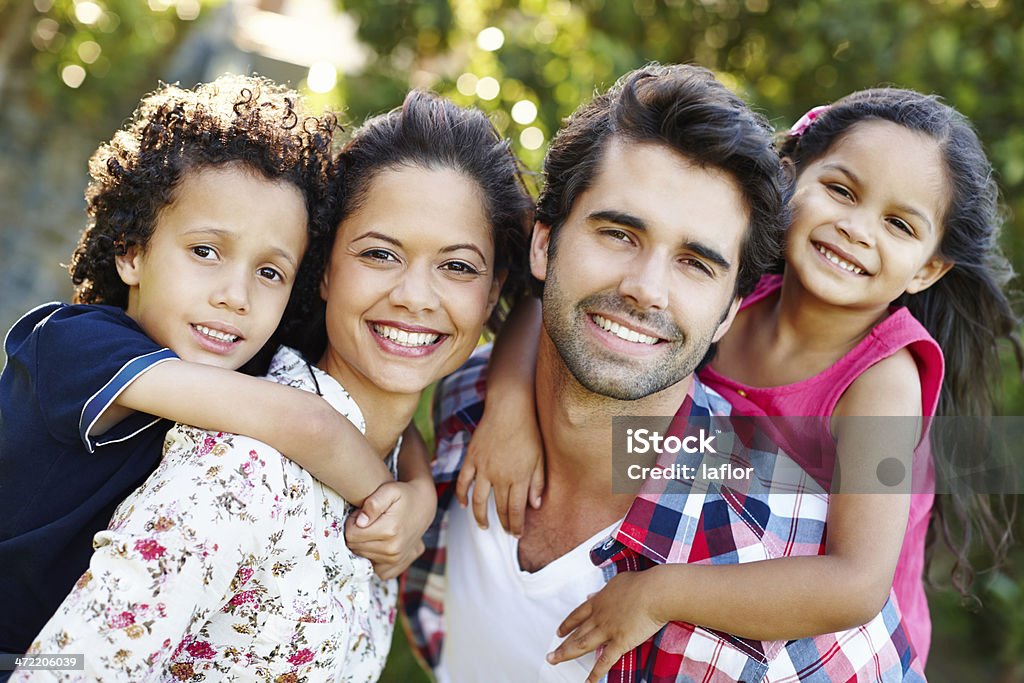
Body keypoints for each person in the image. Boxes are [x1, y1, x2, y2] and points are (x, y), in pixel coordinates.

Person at [469, 87, 1021, 673]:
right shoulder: (734, 298)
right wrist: (507, 410)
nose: (858, 229)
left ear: (928, 269)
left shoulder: (884, 381)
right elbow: (546, 306)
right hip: (699, 556)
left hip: (826, 645)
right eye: (840, 191)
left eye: (898, 225)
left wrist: (659, 595)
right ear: (789, 181)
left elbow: (854, 585)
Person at [17, 89, 531, 682]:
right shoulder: (238, 463)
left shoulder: (389, 462)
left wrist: (415, 490)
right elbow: (66, 670)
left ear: (492, 293)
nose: (416, 296)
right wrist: (391, 497)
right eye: (380, 254)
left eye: (459, 266)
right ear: (326, 271)